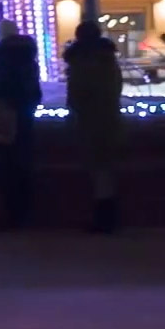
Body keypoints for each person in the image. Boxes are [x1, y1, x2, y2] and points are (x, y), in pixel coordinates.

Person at [0, 20, 44, 229]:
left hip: (6, 115)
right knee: (24, 162)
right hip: (25, 113)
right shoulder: (29, 57)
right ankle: (26, 212)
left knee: (5, 165)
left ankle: (12, 214)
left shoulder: (4, 59)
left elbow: (4, 87)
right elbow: (32, 88)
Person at [64, 20, 124, 233]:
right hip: (108, 119)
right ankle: (107, 217)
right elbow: (115, 88)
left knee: (97, 170)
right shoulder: (107, 60)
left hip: (90, 121)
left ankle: (103, 218)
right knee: (106, 170)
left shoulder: (81, 62)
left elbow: (78, 94)